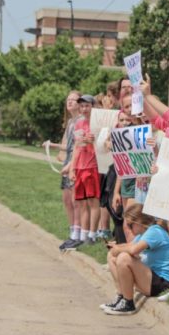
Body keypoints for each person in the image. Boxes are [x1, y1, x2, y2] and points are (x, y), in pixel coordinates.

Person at [101, 204, 169, 315]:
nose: (129, 229)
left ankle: (128, 304)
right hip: (153, 278)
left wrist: (119, 249)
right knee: (112, 256)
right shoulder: (144, 233)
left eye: (131, 225)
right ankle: (121, 296)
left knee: (124, 258)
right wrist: (115, 247)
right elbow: (130, 245)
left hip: (163, 283)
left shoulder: (154, 231)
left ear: (140, 222)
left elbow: (134, 250)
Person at [61, 94, 102, 249]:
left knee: (93, 201)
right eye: (82, 106)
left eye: (87, 106)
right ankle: (83, 233)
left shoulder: (97, 124)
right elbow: (77, 147)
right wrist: (72, 168)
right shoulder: (79, 124)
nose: (84, 109)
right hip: (80, 167)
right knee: (81, 202)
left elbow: (104, 144)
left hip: (92, 166)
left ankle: (92, 232)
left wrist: (94, 140)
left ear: (93, 106)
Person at [51, 90, 80, 251]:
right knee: (67, 200)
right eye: (68, 100)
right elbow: (69, 146)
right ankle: (72, 232)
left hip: (75, 165)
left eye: (73, 100)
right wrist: (54, 146)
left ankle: (77, 235)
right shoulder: (70, 122)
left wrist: (71, 165)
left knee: (76, 201)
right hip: (68, 162)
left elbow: (78, 147)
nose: (69, 102)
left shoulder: (81, 122)